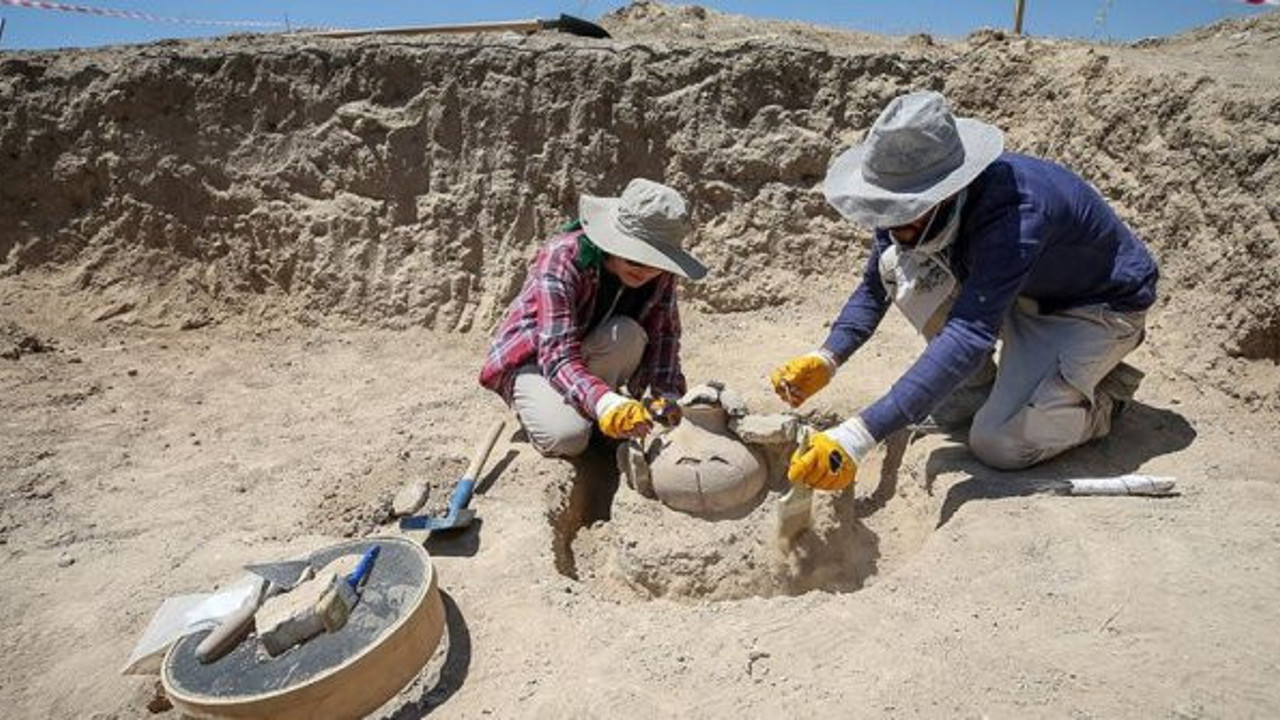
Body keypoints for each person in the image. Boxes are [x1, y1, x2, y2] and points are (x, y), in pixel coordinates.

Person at [771, 90, 1158, 490]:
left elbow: (968, 334)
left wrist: (858, 435)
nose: (892, 227)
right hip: (1016, 290)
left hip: (1091, 310)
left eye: (904, 214)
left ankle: (1104, 398)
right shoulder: (906, 205)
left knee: (999, 444)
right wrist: (828, 356)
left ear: (948, 191)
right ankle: (973, 391)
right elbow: (874, 287)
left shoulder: (1016, 214)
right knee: (897, 265)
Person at [480, 178, 706, 458]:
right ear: (614, 242)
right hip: (536, 361)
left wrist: (667, 397)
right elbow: (556, 355)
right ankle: (579, 413)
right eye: (635, 259)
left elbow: (664, 337)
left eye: (656, 263)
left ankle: (596, 416)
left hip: (590, 353)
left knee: (627, 335)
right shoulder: (563, 257)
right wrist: (606, 402)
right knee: (566, 438)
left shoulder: (660, 274)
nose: (645, 270)